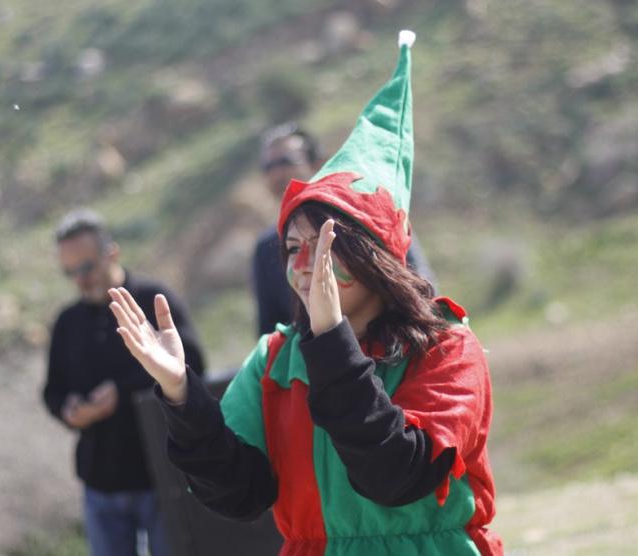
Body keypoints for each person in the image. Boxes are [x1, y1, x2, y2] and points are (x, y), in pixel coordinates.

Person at [109, 31, 501, 555]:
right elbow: (240, 493)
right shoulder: (275, 360)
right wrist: (181, 393)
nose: (302, 264)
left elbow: (395, 475)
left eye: (323, 245)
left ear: (373, 254)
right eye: (293, 247)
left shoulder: (447, 349)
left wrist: (332, 339)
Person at [42, 208, 205, 556]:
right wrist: (70, 410)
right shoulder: (67, 323)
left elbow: (192, 364)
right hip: (101, 483)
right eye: (70, 272)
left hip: (163, 475)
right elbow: (53, 391)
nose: (80, 279)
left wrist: (122, 391)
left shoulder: (153, 299)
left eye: (86, 267)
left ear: (111, 253)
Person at [253, 122, 436, 336]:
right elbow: (270, 328)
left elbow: (420, 290)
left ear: (318, 165)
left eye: (286, 161)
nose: (276, 174)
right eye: (268, 167)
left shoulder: (364, 220)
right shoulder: (266, 247)